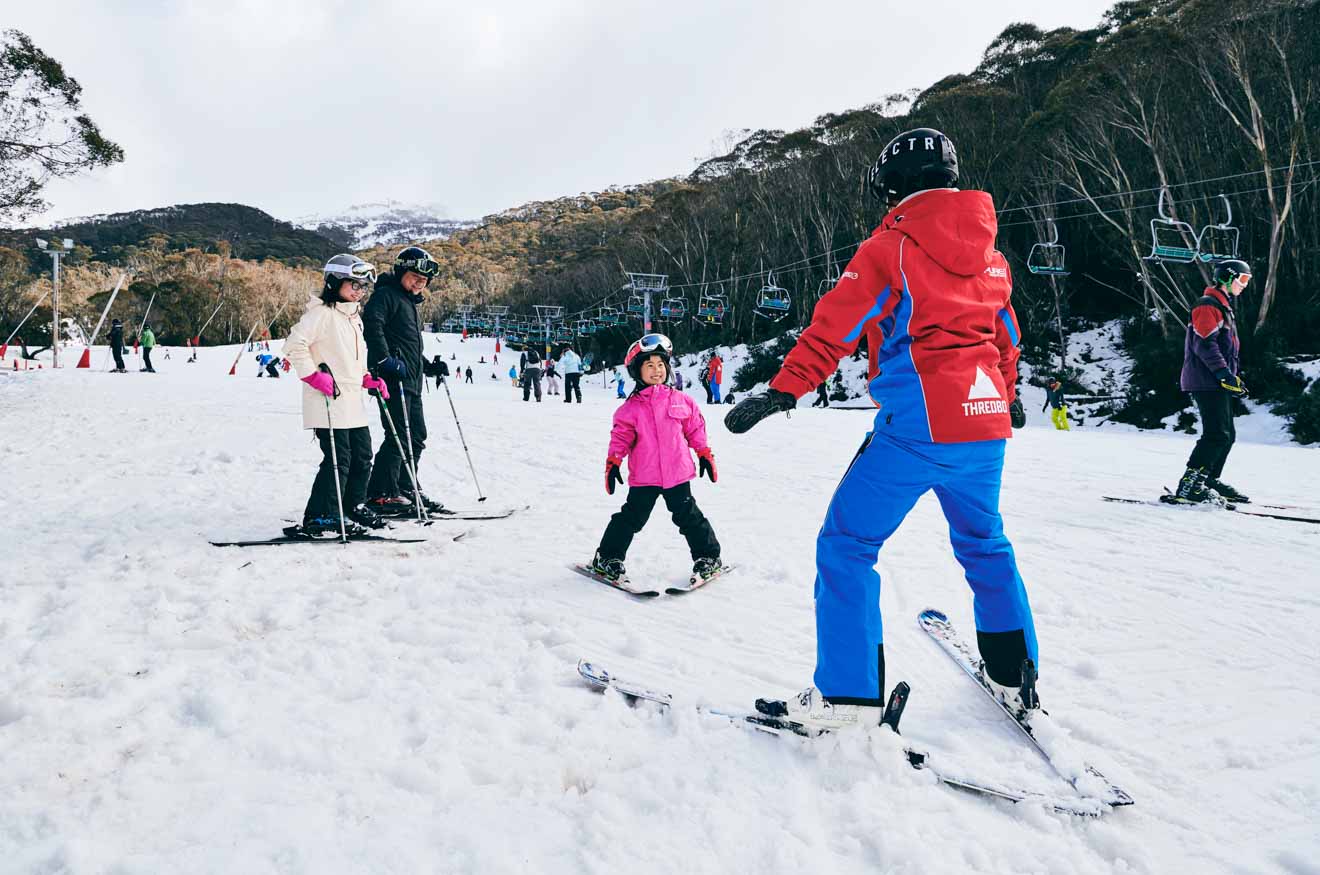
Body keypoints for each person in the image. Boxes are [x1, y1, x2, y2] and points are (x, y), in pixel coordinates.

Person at [724, 128, 1037, 732]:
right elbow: (1005, 339)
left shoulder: (888, 248)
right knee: (985, 544)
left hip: (917, 427)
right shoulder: (993, 257)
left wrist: (784, 390)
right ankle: (1014, 673)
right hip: (985, 426)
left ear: (889, 187)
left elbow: (835, 328)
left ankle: (847, 694)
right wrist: (1009, 395)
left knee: (846, 546)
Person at [588, 334, 722, 584]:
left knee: (689, 517)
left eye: (661, 365)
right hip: (645, 476)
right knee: (631, 518)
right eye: (649, 365)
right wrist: (613, 461)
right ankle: (607, 557)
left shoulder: (682, 401)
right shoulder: (630, 409)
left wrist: (704, 453)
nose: (656, 370)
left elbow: (695, 429)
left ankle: (708, 557)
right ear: (637, 371)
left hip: (677, 473)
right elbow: (620, 437)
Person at [282, 254, 391, 536]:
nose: (358, 290)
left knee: (363, 456)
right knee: (337, 460)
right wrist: (312, 375)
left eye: (363, 286)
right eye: (353, 284)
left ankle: (352, 504)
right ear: (334, 282)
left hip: (352, 400)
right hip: (327, 400)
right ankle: (321, 515)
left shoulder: (353, 318)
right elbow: (294, 345)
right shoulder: (320, 314)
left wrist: (367, 378)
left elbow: (354, 358)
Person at [364, 246, 445, 516]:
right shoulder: (386, 296)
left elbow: (407, 347)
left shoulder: (408, 302)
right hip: (391, 381)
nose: (419, 283)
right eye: (414, 277)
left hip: (410, 381)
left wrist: (428, 366)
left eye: (424, 280)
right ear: (401, 272)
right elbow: (372, 326)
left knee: (417, 436)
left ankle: (404, 485)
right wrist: (383, 360)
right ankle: (380, 494)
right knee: (399, 436)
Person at [1169, 259, 1252, 504]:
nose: (1245, 286)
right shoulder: (1207, 306)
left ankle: (1207, 480)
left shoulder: (1222, 307)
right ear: (1229, 277)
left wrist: (1232, 378)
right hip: (1206, 380)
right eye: (1243, 280)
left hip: (1216, 380)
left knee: (1227, 435)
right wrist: (1224, 375)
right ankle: (1189, 486)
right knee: (1216, 435)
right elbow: (1204, 345)